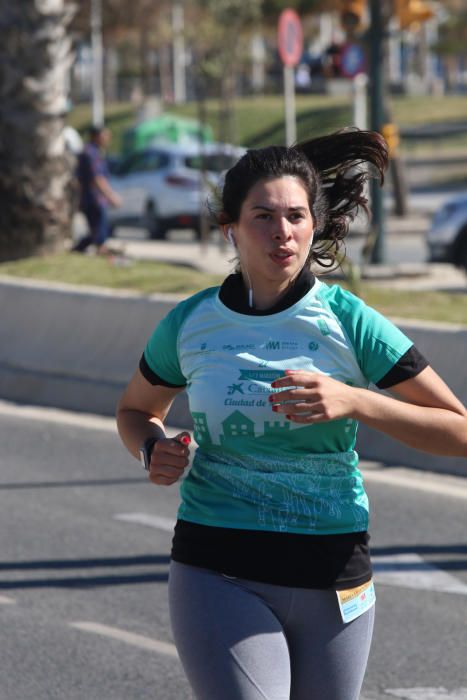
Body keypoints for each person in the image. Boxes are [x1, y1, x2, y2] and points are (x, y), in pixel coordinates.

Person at [116, 129, 467, 700]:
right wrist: (152, 448)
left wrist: (355, 400)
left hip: (334, 574)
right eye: (263, 216)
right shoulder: (191, 324)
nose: (282, 232)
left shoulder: (350, 321)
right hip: (219, 566)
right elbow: (136, 409)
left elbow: (460, 430)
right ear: (230, 225)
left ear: (314, 224)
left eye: (296, 216)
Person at [73, 125, 121, 255]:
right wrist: (111, 196)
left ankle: (78, 250)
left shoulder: (94, 152)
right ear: (96, 136)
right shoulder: (90, 153)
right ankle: (99, 250)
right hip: (93, 199)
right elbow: (97, 178)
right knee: (99, 231)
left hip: (93, 198)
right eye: (105, 135)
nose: (108, 138)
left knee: (98, 231)